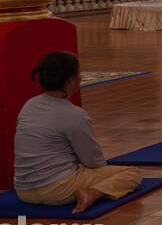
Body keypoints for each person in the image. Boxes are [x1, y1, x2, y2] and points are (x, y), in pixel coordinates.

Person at [12, 52, 142, 211]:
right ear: (71, 81)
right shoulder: (75, 115)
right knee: (131, 173)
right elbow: (94, 162)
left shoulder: (29, 105)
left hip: (23, 190)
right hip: (58, 191)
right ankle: (92, 193)